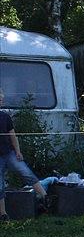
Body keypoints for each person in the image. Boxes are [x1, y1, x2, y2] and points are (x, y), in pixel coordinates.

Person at [0, 88, 48, 222]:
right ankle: (3, 214)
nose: (0, 102)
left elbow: (12, 135)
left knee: (25, 172)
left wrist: (18, 151)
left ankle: (45, 198)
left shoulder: (5, 117)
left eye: (1, 100)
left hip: (9, 153)